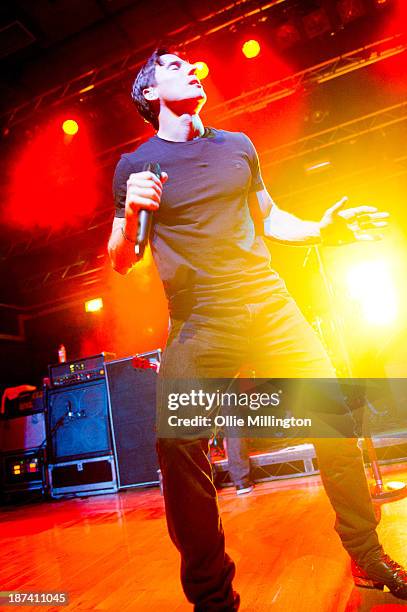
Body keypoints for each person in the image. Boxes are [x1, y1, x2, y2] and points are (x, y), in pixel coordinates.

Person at [108, 48, 407, 609]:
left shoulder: (237, 145)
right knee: (177, 441)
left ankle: (366, 556)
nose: (191, 66)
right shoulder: (135, 166)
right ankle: (213, 597)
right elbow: (122, 258)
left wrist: (321, 227)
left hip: (269, 305)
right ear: (149, 93)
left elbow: (269, 217)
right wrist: (129, 217)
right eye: (173, 64)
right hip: (200, 319)